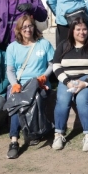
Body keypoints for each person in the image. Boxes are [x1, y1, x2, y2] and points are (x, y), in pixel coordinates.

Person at [51, 16, 88, 151]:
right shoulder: (63, 45)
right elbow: (56, 67)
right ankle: (58, 134)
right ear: (72, 31)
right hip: (68, 79)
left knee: (81, 99)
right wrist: (68, 82)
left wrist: (85, 83)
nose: (82, 32)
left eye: (84, 29)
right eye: (78, 29)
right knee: (63, 99)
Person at [4, 14, 54, 159]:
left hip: (39, 82)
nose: (28, 29)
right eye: (24, 27)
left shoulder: (43, 44)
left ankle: (33, 132)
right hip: (20, 83)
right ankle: (14, 140)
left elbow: (52, 64)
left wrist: (44, 76)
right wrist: (14, 84)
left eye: (30, 26)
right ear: (19, 30)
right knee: (15, 101)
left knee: (35, 98)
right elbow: (10, 70)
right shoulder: (12, 47)